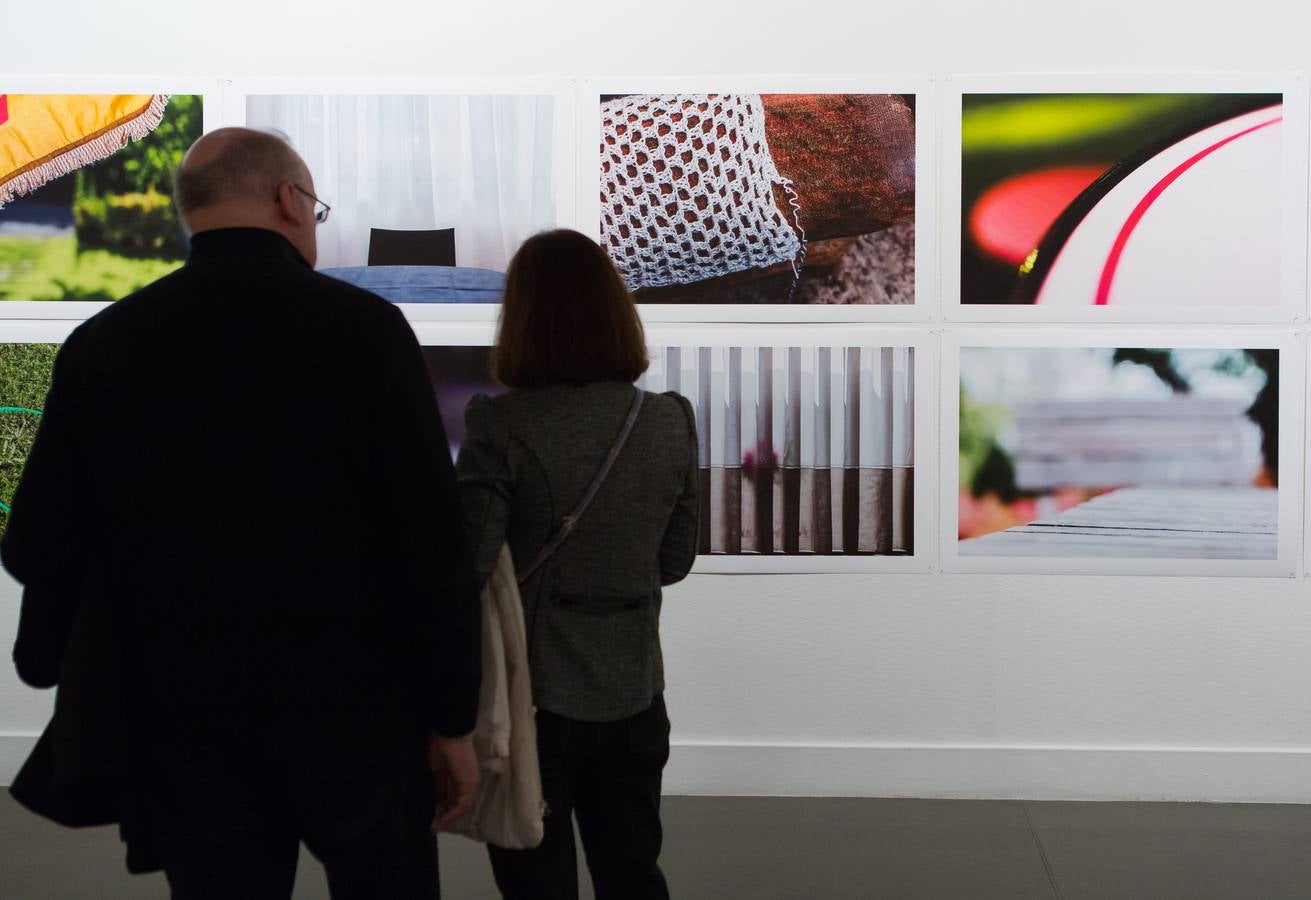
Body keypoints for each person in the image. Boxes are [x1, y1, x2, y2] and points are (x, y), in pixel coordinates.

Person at [2, 127, 481, 898]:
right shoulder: (365, 333)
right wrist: (451, 718)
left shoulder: (104, 344)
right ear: (290, 202)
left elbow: (36, 541)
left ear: (192, 213)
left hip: (182, 716)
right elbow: (431, 548)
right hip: (357, 710)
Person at [456, 228, 699, 899]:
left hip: (535, 695)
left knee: (535, 876)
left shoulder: (500, 425)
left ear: (523, 318)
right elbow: (674, 560)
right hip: (634, 687)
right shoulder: (667, 419)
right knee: (631, 870)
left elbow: (469, 563)